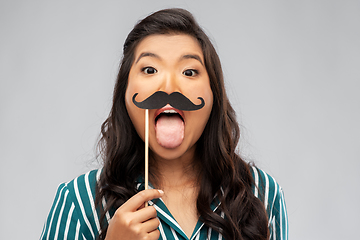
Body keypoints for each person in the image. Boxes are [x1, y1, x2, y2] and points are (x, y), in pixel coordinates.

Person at [40, 8, 288, 240]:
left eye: (189, 72)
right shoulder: (79, 201)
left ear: (214, 95)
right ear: (124, 95)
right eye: (149, 70)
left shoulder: (262, 194)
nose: (169, 87)